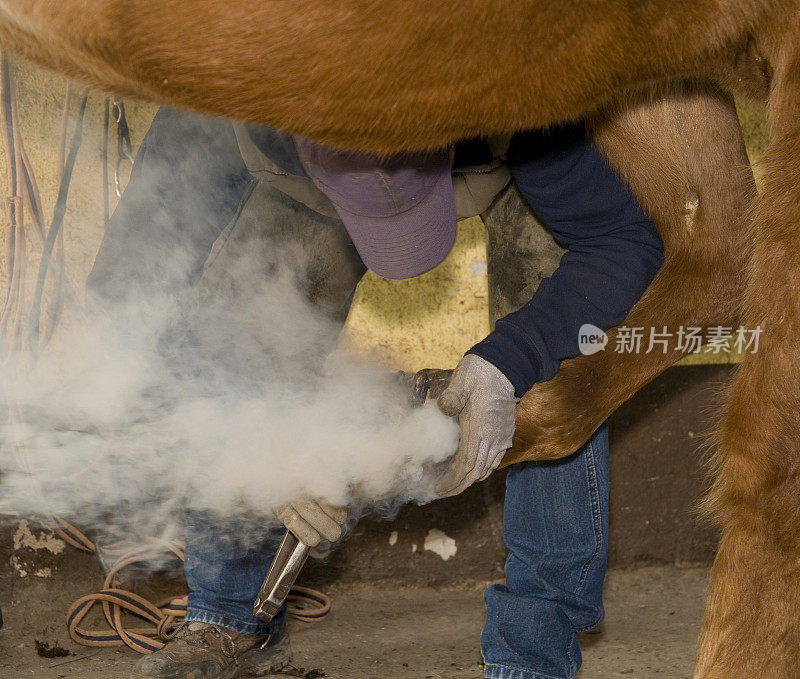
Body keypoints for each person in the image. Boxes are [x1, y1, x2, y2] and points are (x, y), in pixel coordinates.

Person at [86, 107, 662, 679]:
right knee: (250, 307)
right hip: (303, 169)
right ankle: (231, 612)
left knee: (559, 330)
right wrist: (256, 452)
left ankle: (534, 648)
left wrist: (509, 364)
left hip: (500, 150)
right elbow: (131, 307)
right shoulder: (226, 105)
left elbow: (622, 241)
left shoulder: (521, 100)